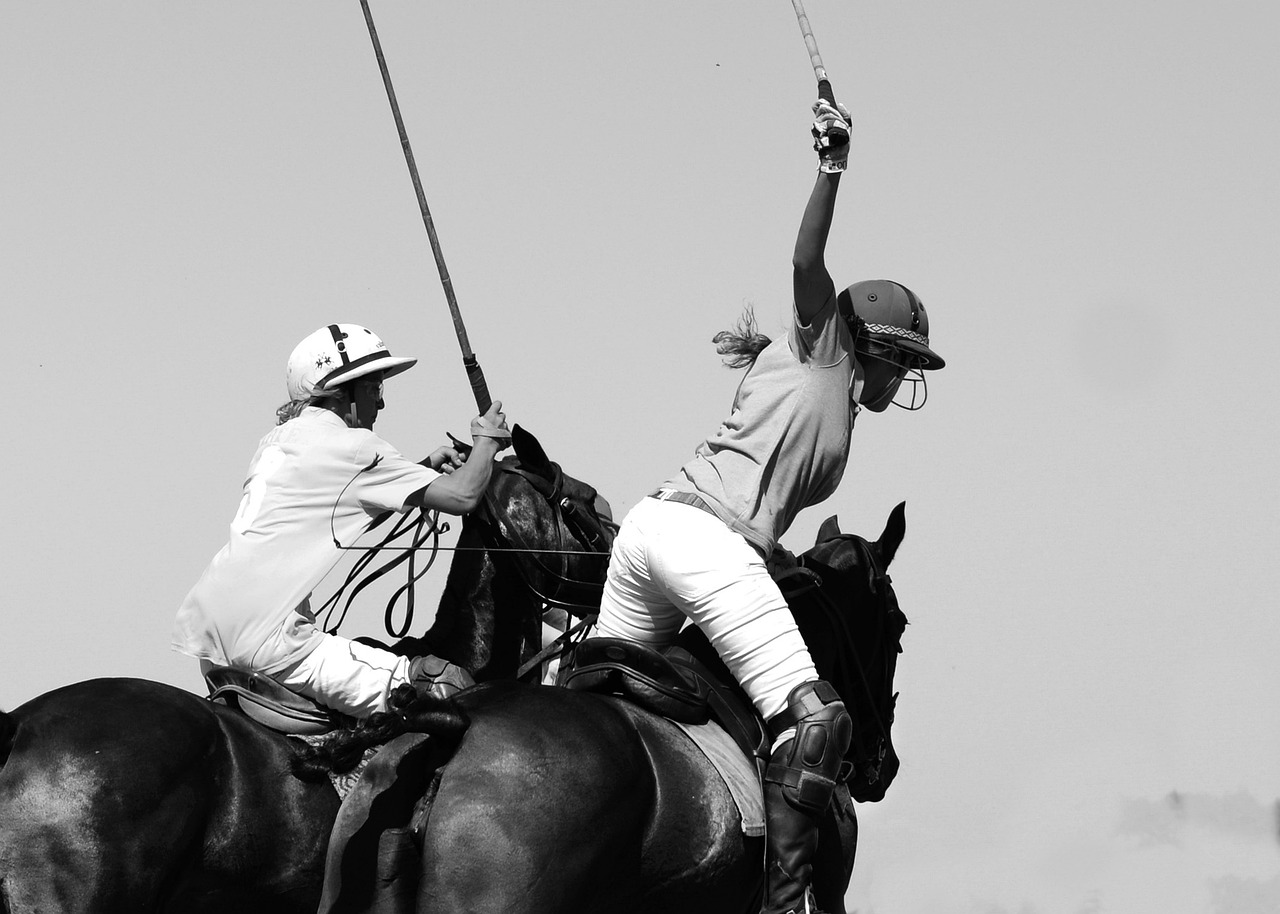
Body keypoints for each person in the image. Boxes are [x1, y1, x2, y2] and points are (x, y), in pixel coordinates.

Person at [590, 100, 945, 914]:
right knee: (818, 723)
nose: (906, 380)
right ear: (878, 350)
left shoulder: (821, 388)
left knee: (595, 706)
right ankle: (786, 908)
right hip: (699, 545)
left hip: (651, 536)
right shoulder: (826, 346)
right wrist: (830, 169)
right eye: (907, 363)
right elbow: (807, 259)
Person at [172, 323, 511, 718]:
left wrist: (419, 472)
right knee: (444, 689)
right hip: (271, 644)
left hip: (209, 639)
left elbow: (343, 500)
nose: (381, 404)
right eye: (374, 388)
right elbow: (464, 495)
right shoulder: (354, 447)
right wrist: (486, 440)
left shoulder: (278, 440)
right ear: (342, 393)